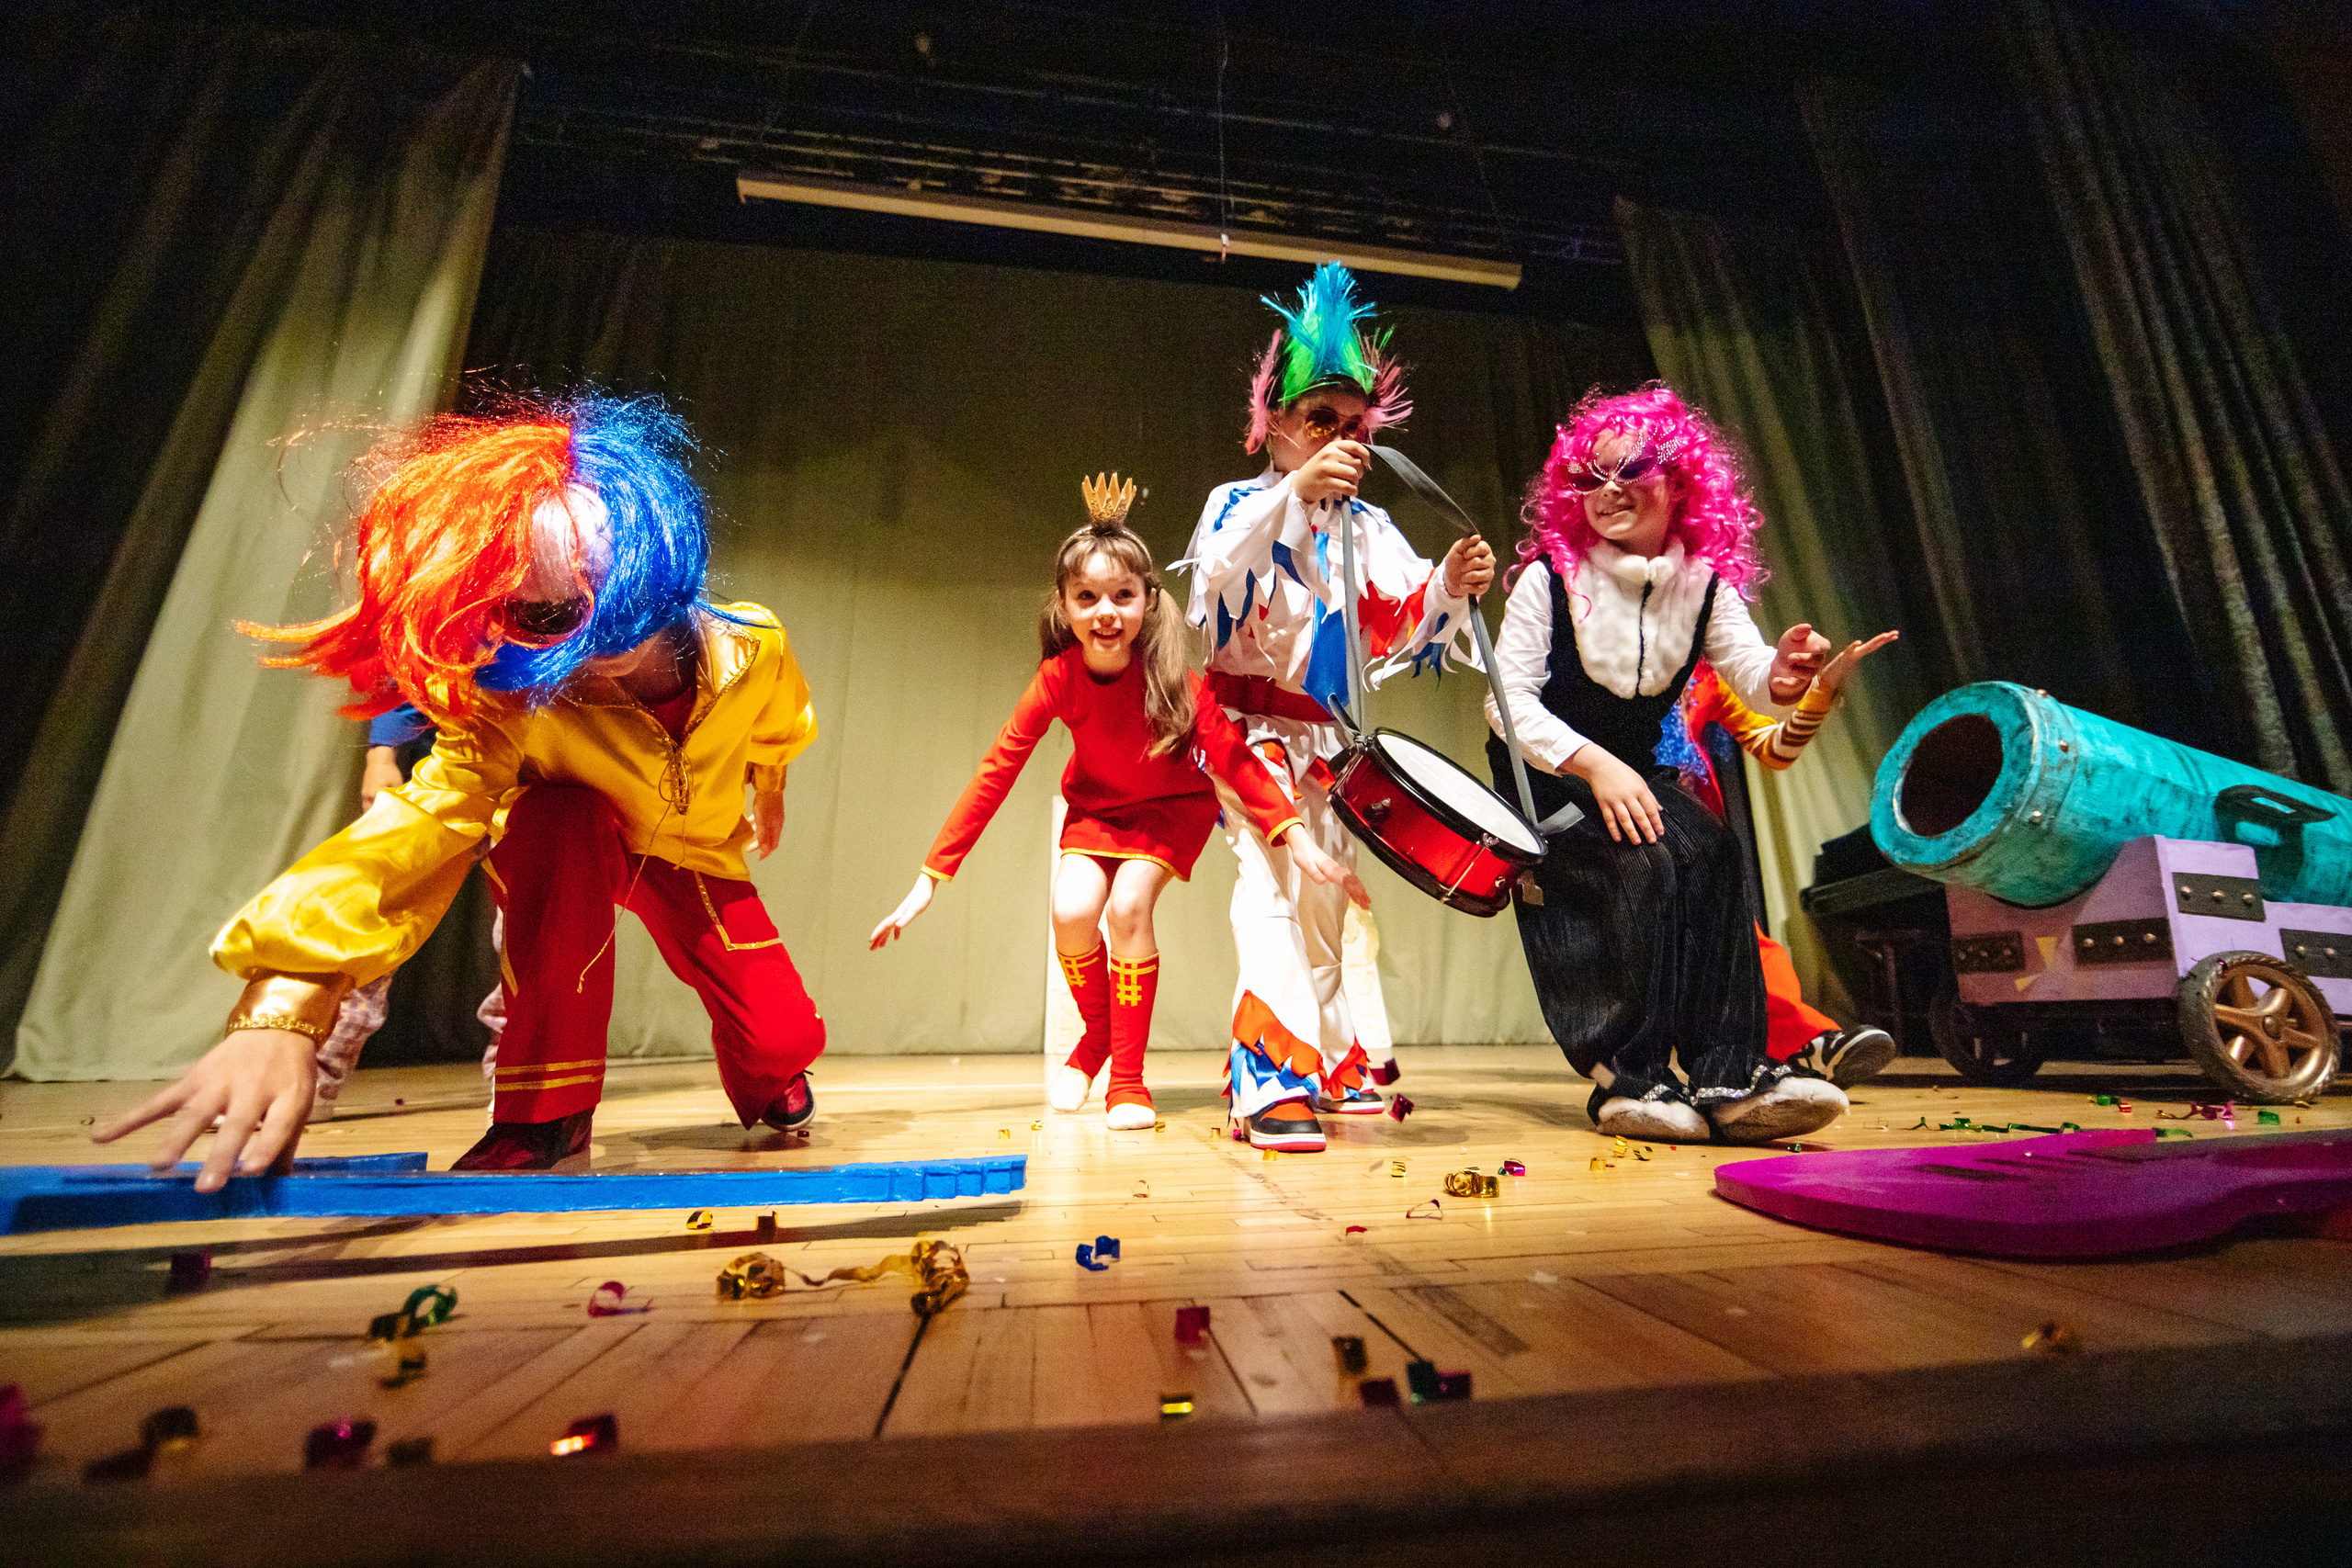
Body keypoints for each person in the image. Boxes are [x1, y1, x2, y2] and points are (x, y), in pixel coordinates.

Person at [95, 394, 825, 1188]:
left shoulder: (754, 643)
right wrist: (288, 1001)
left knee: (780, 1035)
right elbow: (428, 819)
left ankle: (768, 1073)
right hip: (576, 841)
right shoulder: (519, 693)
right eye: (529, 612)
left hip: (695, 852)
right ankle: (542, 1121)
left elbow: (779, 720)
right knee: (554, 814)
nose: (561, 636)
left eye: (570, 603)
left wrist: (771, 781)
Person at [871, 475, 1360, 1129]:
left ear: (1147, 601)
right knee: (1072, 911)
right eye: (1088, 596)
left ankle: (1126, 1080)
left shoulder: (1174, 681)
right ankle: (1096, 1039)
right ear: (1064, 605)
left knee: (1128, 909)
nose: (1106, 611)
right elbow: (997, 769)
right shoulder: (1058, 679)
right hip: (1098, 809)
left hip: (1168, 809)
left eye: (1123, 595)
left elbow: (1238, 762)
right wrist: (932, 875)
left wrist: (1294, 835)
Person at [1180, 263, 1494, 1152]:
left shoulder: (1370, 530)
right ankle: (1267, 1075)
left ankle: (1322, 1055)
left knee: (1325, 899)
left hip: (1321, 737)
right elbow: (1215, 579)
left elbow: (1393, 629)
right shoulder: (1238, 503)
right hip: (1244, 727)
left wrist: (1447, 587)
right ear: (1273, 423)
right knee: (1277, 882)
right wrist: (1296, 488)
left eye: (1355, 427)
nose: (1345, 442)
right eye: (1322, 420)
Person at [1485, 382, 1846, 1145]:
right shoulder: (1550, 581)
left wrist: (1787, 672)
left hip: (1633, 768)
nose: (1608, 489)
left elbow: (1755, 677)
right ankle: (1630, 1073)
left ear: (1680, 480)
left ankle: (1732, 1073)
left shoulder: (1702, 586)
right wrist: (1595, 767)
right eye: (1590, 477)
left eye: (1632, 469)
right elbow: (1506, 704)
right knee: (1643, 867)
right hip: (1543, 768)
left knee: (1714, 849)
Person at [1673, 635, 1900, 1087]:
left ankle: (1807, 1044)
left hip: (1693, 825)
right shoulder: (1595, 668)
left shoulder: (1706, 680)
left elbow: (1775, 749)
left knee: (1743, 938)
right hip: (1620, 817)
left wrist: (1823, 689)